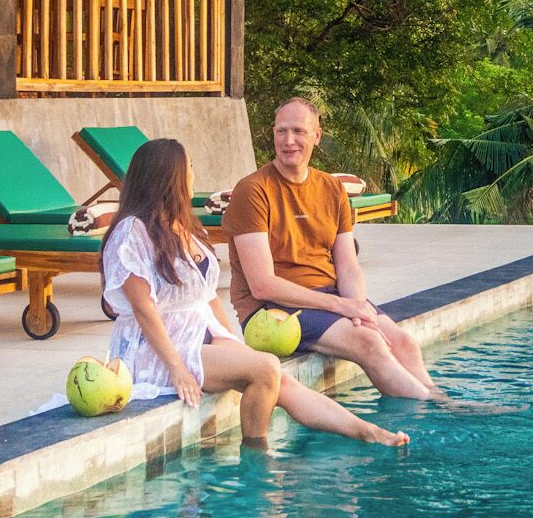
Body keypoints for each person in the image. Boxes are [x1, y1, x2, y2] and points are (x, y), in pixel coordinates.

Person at [102, 137, 407, 448]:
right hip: (158, 349)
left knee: (278, 379)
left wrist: (231, 341)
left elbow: (206, 297)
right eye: (189, 167)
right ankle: (255, 457)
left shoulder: (187, 228)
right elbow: (143, 308)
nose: (193, 173)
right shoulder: (132, 232)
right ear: (170, 177)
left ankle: (365, 431)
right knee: (266, 369)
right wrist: (177, 369)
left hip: (201, 333)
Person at [224, 98, 442, 400]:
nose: (288, 141)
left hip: (329, 296)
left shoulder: (331, 188)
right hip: (273, 310)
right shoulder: (253, 191)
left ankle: (441, 401)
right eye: (281, 132)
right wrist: (342, 308)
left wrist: (356, 309)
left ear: (317, 136)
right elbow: (262, 285)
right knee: (370, 344)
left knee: (404, 343)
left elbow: (348, 266)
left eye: (299, 131)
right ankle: (434, 412)